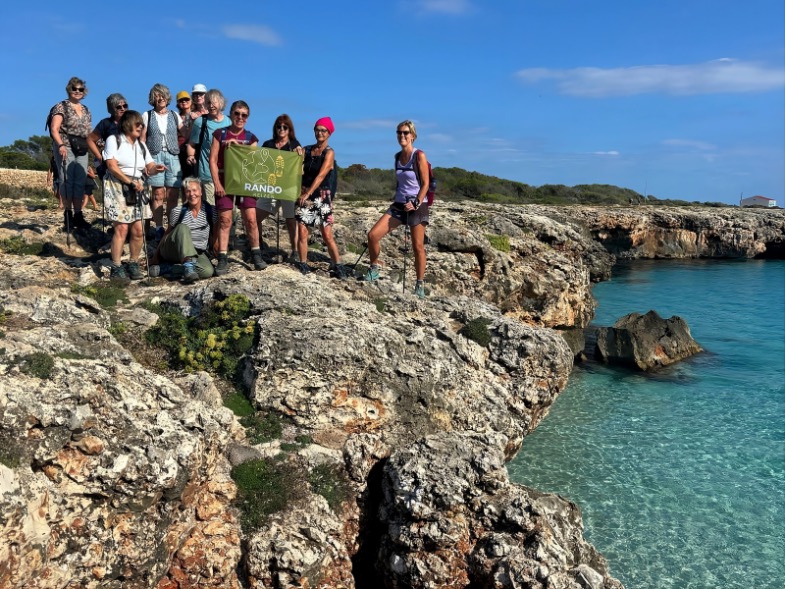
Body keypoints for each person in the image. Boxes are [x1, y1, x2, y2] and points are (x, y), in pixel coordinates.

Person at [364, 120, 430, 298]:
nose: (402, 136)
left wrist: (416, 202)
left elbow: (425, 183)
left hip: (417, 206)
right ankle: (375, 267)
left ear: (413, 136)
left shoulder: (419, 156)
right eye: (399, 133)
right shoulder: (397, 157)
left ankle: (419, 285)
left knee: (417, 247)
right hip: (399, 205)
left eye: (406, 133)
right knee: (373, 235)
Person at [102, 110, 166, 281]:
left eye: (141, 124)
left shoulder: (141, 146)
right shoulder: (113, 140)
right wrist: (129, 181)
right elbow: (111, 165)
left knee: (138, 230)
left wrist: (155, 168)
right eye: (137, 123)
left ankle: (133, 262)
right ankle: (116, 266)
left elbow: (149, 165)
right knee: (121, 228)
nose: (140, 127)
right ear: (127, 124)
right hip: (118, 186)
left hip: (137, 186)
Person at [209, 100, 265, 275]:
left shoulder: (251, 138)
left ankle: (256, 254)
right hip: (225, 180)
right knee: (225, 220)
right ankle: (223, 258)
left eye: (244, 115)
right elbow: (212, 160)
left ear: (247, 118)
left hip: (245, 182)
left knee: (251, 219)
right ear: (231, 114)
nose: (240, 117)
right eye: (237, 113)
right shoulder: (220, 134)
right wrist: (217, 183)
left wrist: (239, 145)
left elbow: (256, 161)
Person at [294, 117, 348, 279]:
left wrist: (308, 193)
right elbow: (294, 168)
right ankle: (303, 263)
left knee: (326, 234)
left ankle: (338, 265)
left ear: (329, 133)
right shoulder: (306, 150)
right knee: (302, 231)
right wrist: (296, 154)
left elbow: (321, 175)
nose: (320, 133)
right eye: (317, 129)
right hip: (304, 195)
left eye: (323, 130)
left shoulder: (329, 152)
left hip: (321, 196)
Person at [148, 177, 216, 283]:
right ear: (185, 194)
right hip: (173, 249)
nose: (192, 194)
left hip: (197, 251)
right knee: (182, 228)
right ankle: (188, 266)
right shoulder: (178, 211)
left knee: (207, 271)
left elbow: (214, 233)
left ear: (201, 192)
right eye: (188, 191)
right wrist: (156, 256)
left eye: (194, 190)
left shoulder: (210, 211)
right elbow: (168, 233)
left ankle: (168, 268)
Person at [256, 114, 303, 260]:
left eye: (285, 127)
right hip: (270, 188)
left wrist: (300, 156)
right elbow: (259, 164)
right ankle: (258, 244)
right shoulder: (268, 144)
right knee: (254, 217)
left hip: (288, 188)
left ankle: (295, 251)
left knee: (290, 220)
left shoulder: (294, 145)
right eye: (279, 126)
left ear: (290, 129)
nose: (281, 129)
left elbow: (300, 168)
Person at [48, 76, 92, 231]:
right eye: (75, 89)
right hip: (65, 146)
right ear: (69, 89)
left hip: (82, 148)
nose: (77, 92)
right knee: (66, 180)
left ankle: (78, 214)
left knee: (80, 181)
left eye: (80, 89)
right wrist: (60, 145)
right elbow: (54, 128)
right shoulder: (61, 107)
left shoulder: (86, 110)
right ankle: (68, 214)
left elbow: (88, 132)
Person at [142, 84, 183, 240]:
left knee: (173, 194)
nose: (161, 98)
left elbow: (184, 131)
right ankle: (159, 227)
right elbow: (143, 138)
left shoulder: (174, 115)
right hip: (154, 155)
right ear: (153, 98)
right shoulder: (147, 115)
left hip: (173, 156)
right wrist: (145, 161)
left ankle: (171, 227)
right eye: (157, 95)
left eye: (163, 95)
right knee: (158, 194)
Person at [186, 88, 230, 205]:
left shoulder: (229, 122)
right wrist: (190, 155)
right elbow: (191, 144)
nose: (211, 106)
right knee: (211, 209)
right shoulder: (200, 122)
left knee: (228, 211)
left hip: (227, 174)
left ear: (221, 103)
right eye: (208, 103)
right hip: (206, 173)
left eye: (214, 102)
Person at [87, 93, 128, 178]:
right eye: (119, 107)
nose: (123, 109)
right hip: (110, 165)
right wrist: (99, 157)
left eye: (125, 106)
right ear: (112, 109)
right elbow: (90, 140)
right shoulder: (106, 123)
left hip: (128, 165)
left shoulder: (131, 122)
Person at [175, 90, 194, 178]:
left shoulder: (197, 115)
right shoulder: (175, 117)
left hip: (193, 150)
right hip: (179, 151)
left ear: (191, 101)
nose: (184, 101)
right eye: (181, 100)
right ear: (178, 103)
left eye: (186, 99)